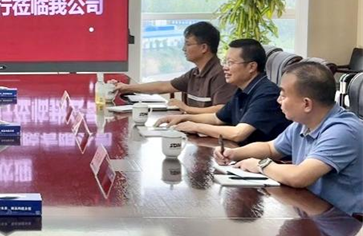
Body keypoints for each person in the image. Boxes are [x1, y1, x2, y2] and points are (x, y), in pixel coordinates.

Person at [215, 61, 363, 215]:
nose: (278, 100)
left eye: (283, 95)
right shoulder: (303, 122)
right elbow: (270, 148)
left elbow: (299, 177)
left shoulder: (342, 131)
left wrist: (261, 164)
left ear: (306, 104)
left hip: (345, 220)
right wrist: (234, 153)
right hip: (312, 208)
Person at [155, 39, 290, 145]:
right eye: (225, 62)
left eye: (230, 63)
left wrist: (196, 127)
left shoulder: (267, 94)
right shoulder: (242, 89)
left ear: (251, 67)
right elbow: (217, 118)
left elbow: (238, 133)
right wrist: (184, 118)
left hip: (267, 163)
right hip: (241, 154)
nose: (224, 67)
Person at [111, 22, 236, 114]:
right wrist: (127, 88)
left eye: (188, 44)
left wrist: (187, 109)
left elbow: (222, 109)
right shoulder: (194, 73)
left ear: (204, 48)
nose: (183, 49)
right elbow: (162, 86)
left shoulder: (221, 74)